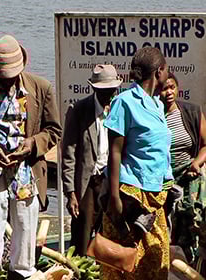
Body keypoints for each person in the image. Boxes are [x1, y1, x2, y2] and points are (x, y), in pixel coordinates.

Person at [0, 34, 62, 279]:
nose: (5, 83)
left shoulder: (40, 88)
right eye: (0, 78)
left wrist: (31, 144)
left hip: (26, 172)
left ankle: (21, 273)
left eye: (9, 78)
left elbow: (54, 130)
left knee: (25, 229)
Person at [101, 46, 173, 279]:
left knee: (155, 260)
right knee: (124, 263)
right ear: (159, 71)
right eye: (166, 70)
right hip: (130, 195)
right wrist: (114, 199)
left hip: (155, 196)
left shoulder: (158, 105)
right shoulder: (125, 103)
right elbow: (114, 152)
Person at [61, 64, 121, 255]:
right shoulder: (79, 110)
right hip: (87, 183)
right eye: (104, 91)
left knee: (108, 235)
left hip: (110, 180)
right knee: (83, 237)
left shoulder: (118, 109)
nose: (109, 95)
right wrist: (71, 192)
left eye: (112, 90)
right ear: (94, 89)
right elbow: (69, 153)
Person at [163, 71, 206, 264]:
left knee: (195, 221)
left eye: (172, 87)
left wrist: (197, 162)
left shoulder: (192, 112)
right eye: (164, 88)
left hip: (191, 176)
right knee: (168, 225)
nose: (168, 92)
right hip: (165, 178)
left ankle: (194, 264)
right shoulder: (153, 116)